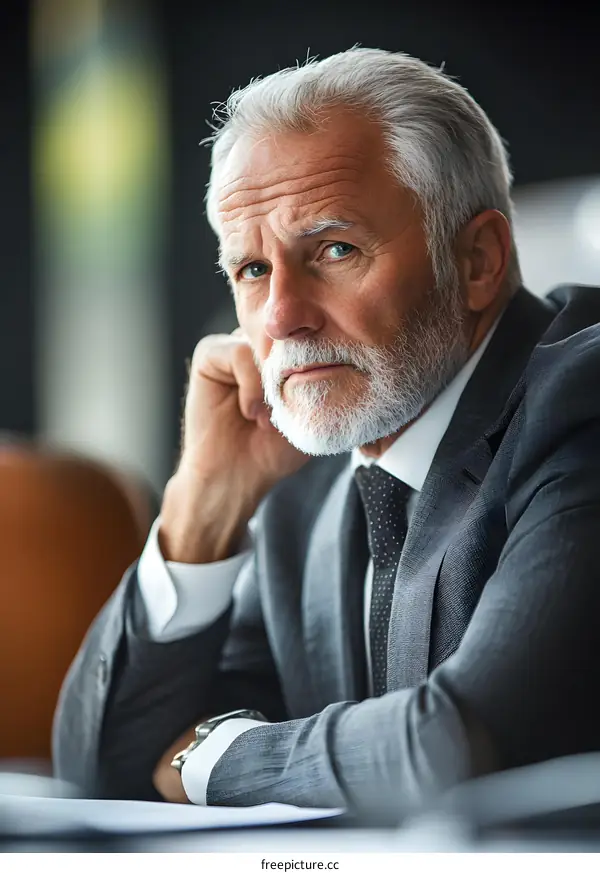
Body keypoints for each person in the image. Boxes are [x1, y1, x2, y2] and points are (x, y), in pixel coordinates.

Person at [53, 47, 600, 823]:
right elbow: (102, 764)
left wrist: (217, 756)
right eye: (250, 270)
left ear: (477, 260)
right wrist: (201, 511)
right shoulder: (304, 474)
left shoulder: (583, 400)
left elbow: (457, 747)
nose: (280, 317)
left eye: (334, 250)